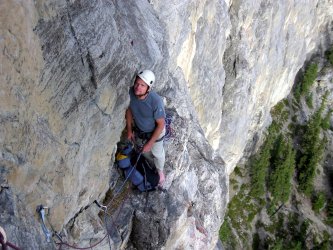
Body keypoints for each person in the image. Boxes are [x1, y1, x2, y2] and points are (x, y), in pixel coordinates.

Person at [125, 70, 166, 186]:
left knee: (157, 153)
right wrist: (129, 130)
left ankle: (160, 171)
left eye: (142, 85)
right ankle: (151, 163)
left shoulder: (156, 101)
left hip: (156, 131)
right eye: (137, 83)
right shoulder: (131, 93)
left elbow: (161, 124)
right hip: (141, 130)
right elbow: (129, 111)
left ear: (148, 88)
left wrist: (150, 143)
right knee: (144, 152)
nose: (138, 87)